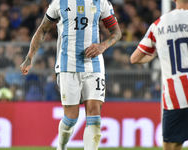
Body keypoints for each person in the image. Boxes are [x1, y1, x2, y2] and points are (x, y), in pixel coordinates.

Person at [20, 0, 121, 149]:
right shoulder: (59, 2)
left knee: (95, 115)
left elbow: (117, 32)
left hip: (94, 66)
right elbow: (43, 29)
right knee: (71, 118)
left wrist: (103, 45)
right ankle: (61, 147)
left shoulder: (101, 3)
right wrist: (29, 57)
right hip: (68, 66)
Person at [130, 0, 188, 150]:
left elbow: (134, 58)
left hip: (175, 96)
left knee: (171, 146)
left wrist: (158, 53)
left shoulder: (158, 25)